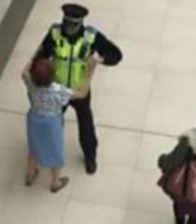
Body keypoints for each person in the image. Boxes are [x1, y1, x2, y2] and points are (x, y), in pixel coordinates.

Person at [33, 3, 123, 174]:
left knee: (86, 126)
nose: (69, 28)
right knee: (52, 124)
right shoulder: (54, 34)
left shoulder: (91, 37)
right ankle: (45, 153)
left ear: (80, 23)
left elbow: (116, 54)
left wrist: (100, 59)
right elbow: (41, 56)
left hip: (80, 90)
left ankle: (90, 158)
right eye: (67, 24)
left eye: (73, 25)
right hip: (58, 90)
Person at [22, 58, 96, 193]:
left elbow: (24, 72)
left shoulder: (30, 83)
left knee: (33, 148)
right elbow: (82, 94)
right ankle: (56, 182)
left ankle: (30, 175)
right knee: (55, 151)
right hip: (52, 122)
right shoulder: (58, 90)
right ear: (53, 75)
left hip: (34, 118)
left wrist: (34, 57)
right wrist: (90, 71)